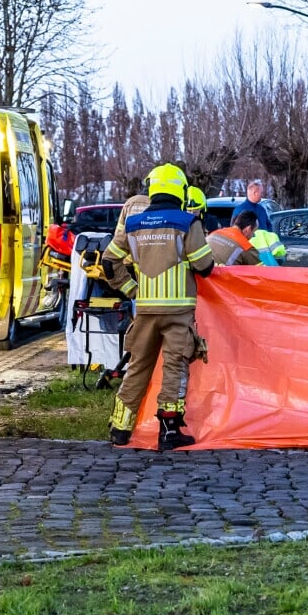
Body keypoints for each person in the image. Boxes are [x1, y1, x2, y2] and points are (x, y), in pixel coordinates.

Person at [101, 163, 215, 450]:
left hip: (146, 311)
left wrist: (133, 290)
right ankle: (169, 430)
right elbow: (205, 266)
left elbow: (109, 262)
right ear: (181, 190)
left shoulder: (133, 223)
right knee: (174, 369)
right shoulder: (187, 222)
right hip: (178, 313)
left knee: (138, 368)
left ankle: (119, 428)